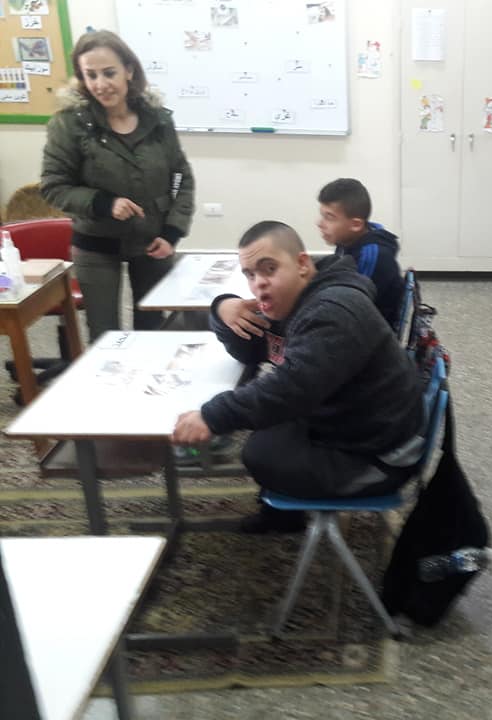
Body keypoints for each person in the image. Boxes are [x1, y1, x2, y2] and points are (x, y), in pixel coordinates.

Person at [171, 221, 423, 533]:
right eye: (250, 274)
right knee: (266, 430)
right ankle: (282, 516)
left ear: (302, 264)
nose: (258, 284)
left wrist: (212, 416)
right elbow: (253, 351)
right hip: (349, 421)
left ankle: (285, 519)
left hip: (381, 455)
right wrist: (223, 310)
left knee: (260, 453)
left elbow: (291, 389)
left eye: (269, 269)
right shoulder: (298, 297)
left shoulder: (333, 311)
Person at [40, 30, 195, 342]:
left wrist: (172, 233)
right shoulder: (69, 124)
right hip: (96, 244)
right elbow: (54, 186)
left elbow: (182, 179)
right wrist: (104, 203)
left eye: (109, 73)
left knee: (152, 330)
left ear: (129, 70)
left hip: (152, 241)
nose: (101, 84)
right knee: (104, 336)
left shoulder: (158, 120)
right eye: (91, 75)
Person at [316, 178, 405, 328]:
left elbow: (353, 305)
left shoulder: (372, 257)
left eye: (329, 217)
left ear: (356, 225)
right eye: (322, 215)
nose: (320, 223)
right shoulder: (348, 239)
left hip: (370, 329)